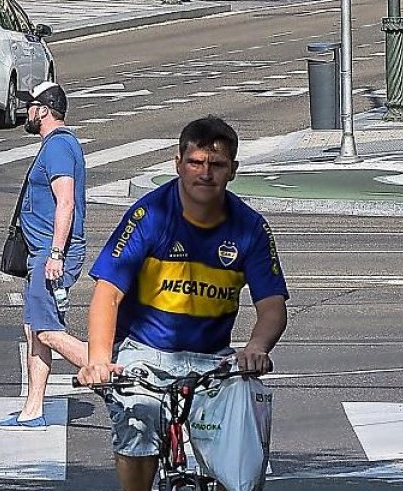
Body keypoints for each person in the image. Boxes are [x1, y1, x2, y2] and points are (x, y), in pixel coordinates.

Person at [77, 116, 289, 491]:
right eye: (195, 163)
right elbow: (107, 293)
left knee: (241, 463)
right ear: (178, 163)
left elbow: (272, 306)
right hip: (146, 355)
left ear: (233, 171)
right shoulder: (149, 215)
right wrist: (97, 361)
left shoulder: (251, 227)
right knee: (135, 424)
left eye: (217, 165)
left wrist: (256, 347)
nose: (205, 173)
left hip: (214, 359)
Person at [0, 82, 88, 431]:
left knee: (47, 331)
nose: (26, 113)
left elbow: (66, 201)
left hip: (51, 254)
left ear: (44, 110)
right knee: (34, 328)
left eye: (30, 106)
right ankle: (32, 409)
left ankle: (108, 370)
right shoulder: (57, 145)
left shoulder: (59, 148)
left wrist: (55, 254)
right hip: (44, 252)